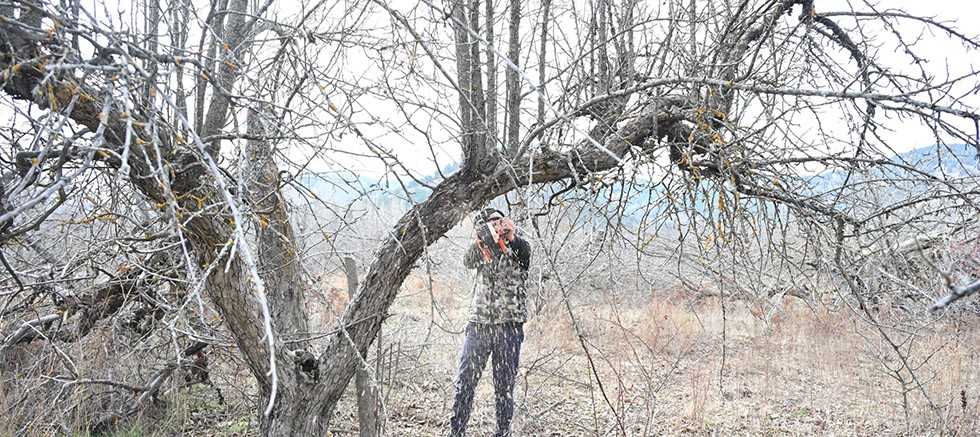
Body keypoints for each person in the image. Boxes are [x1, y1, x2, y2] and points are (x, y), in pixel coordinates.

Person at [449, 208, 531, 437]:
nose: (497, 225)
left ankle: (502, 432)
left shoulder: (518, 247)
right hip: (480, 325)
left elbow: (525, 256)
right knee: (465, 383)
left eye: (499, 220)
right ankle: (456, 432)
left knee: (504, 388)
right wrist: (485, 239)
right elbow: (468, 260)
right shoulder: (482, 249)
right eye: (492, 222)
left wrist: (510, 236)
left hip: (509, 327)